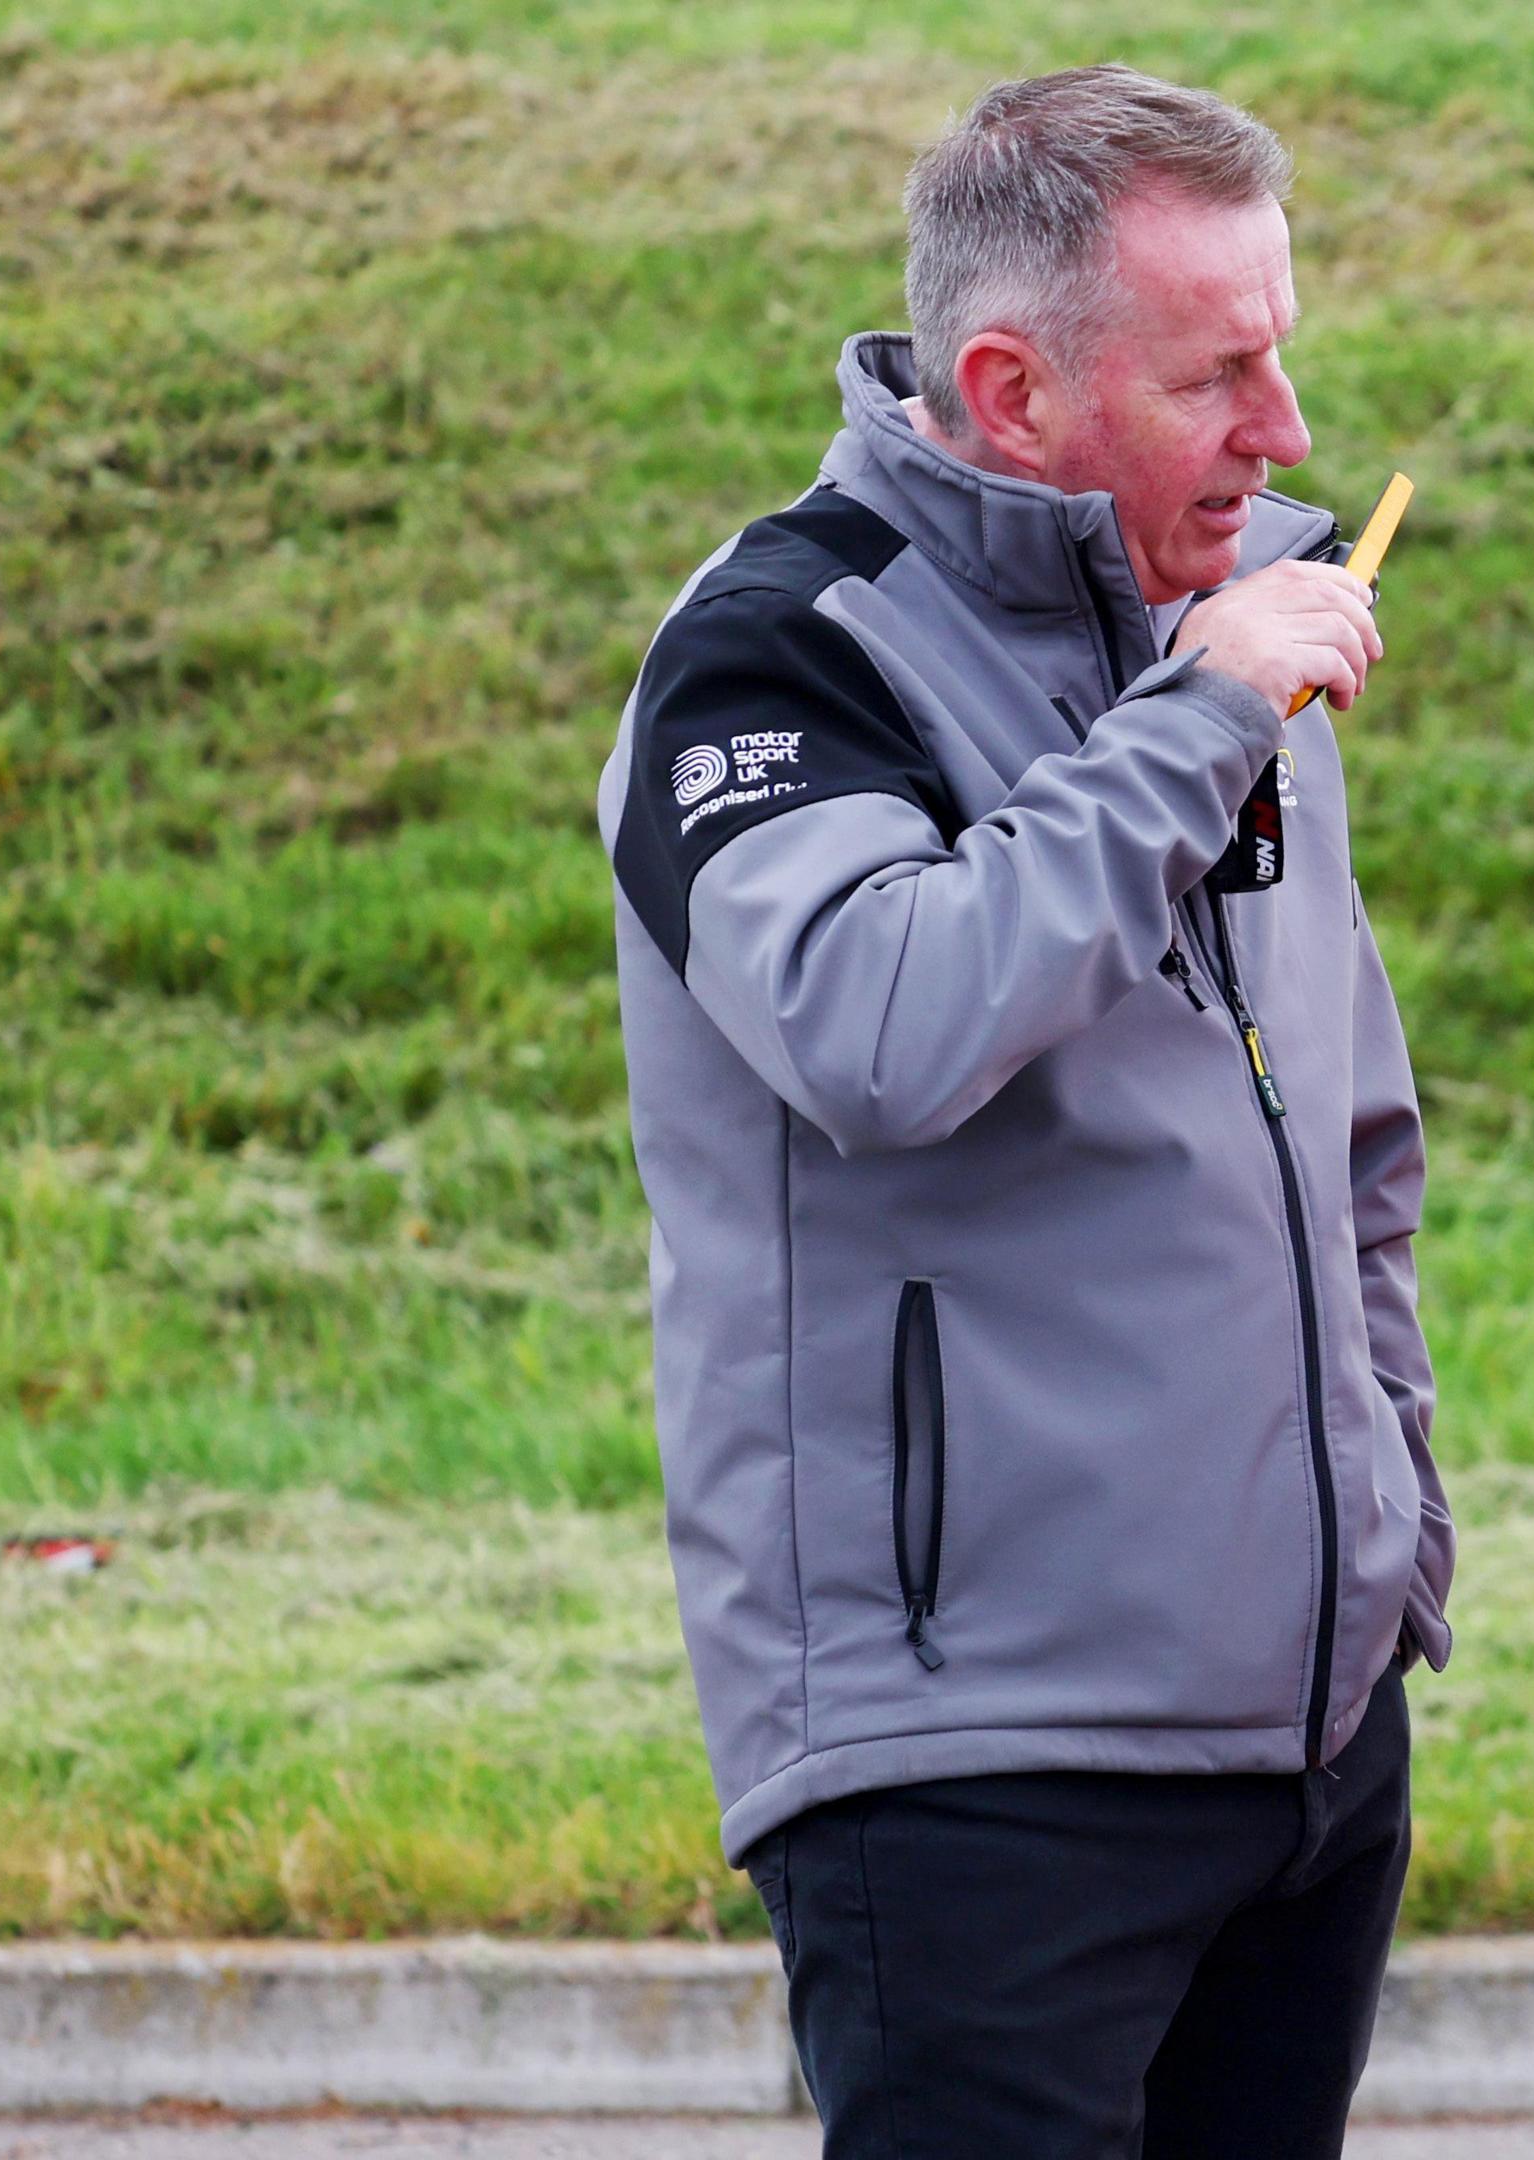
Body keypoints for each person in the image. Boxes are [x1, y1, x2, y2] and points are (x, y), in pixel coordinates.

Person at [594, 66, 1447, 2158]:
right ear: (1010, 386)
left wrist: (1391, 1534)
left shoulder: (1226, 614)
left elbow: (1349, 1140)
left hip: (1311, 1757)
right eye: (1221, 373)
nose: (1289, 430)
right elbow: (885, 1026)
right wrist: (1204, 716)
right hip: (972, 1768)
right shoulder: (778, 657)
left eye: (1286, 351)